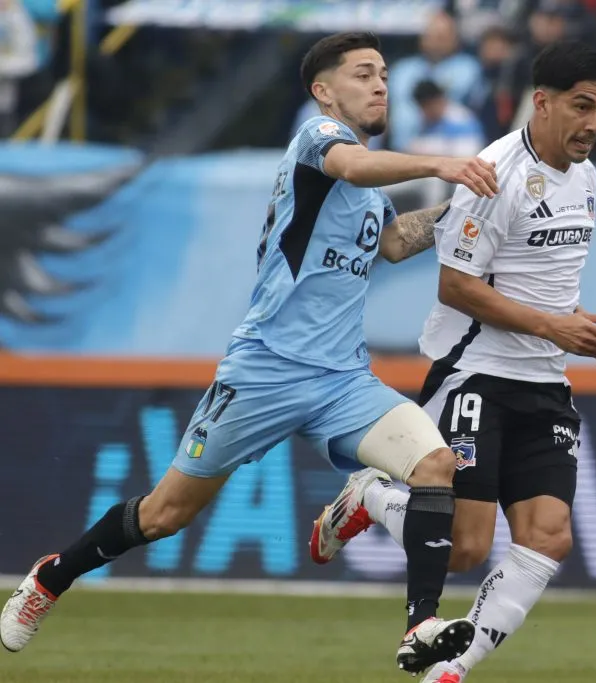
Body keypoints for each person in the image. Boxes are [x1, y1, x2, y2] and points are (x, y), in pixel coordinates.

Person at [0, 31, 502, 676]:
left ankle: (420, 624)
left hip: (343, 380)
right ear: (325, 92)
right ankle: (52, 577)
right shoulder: (317, 142)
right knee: (164, 514)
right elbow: (353, 166)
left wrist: (465, 210)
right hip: (264, 370)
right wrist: (442, 164)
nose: (380, 84)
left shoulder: (371, 192)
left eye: (383, 73)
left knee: (435, 464)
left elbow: (396, 244)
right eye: (362, 74)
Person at [309, 40, 596, 683]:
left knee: (550, 534)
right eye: (581, 106)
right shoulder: (493, 172)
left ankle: (450, 670)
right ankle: (370, 497)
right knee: (466, 549)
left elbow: (540, 278)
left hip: (545, 379)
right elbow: (456, 287)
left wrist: (574, 329)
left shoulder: (586, 176)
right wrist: (555, 328)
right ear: (542, 103)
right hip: (474, 373)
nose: (593, 123)